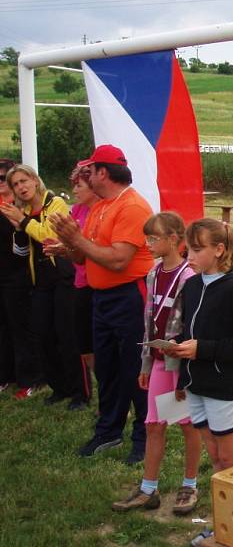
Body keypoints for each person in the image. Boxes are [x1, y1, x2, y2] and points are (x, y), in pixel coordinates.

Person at [49, 144, 154, 465]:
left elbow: (120, 259)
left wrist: (77, 241)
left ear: (103, 173)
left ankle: (144, 436)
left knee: (136, 369)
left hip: (129, 296)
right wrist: (68, 244)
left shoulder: (132, 207)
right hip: (102, 297)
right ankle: (109, 430)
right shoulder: (101, 206)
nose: (84, 176)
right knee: (107, 368)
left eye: (89, 171)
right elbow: (85, 255)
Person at [112, 212, 202, 514]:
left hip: (180, 367)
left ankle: (190, 485)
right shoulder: (153, 273)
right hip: (160, 363)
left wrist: (182, 362)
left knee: (187, 425)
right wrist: (146, 364)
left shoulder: (190, 276)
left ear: (174, 239)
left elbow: (194, 323)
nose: (148, 243)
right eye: (147, 237)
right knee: (154, 424)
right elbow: (149, 321)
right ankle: (148, 489)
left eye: (154, 238)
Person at [170, 219, 233, 476]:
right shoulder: (191, 285)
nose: (190, 256)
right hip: (194, 384)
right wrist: (176, 349)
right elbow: (188, 330)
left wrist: (203, 349)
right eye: (188, 249)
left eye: (197, 250)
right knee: (213, 454)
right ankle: (225, 509)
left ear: (219, 250)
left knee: (229, 456)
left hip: (222, 386)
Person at [0, 164, 82, 407]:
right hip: (38, 279)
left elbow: (50, 235)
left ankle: (80, 392)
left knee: (67, 336)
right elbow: (21, 249)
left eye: (24, 181)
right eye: (15, 184)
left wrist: (23, 222)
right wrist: (18, 230)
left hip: (62, 275)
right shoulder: (21, 210)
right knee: (43, 335)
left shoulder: (53, 203)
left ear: (36, 181)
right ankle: (58, 386)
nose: (21, 187)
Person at [0, 159, 34, 398]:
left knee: (20, 328)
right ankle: (5, 376)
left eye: (3, 179)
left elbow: (22, 248)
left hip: (18, 277)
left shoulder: (20, 210)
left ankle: (28, 378)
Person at [69, 164, 100, 407]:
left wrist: (73, 244)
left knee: (103, 344)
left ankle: (111, 395)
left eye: (79, 185)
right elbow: (77, 253)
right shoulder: (77, 211)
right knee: (84, 343)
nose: (75, 190)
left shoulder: (102, 212)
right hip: (80, 281)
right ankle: (101, 389)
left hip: (98, 284)